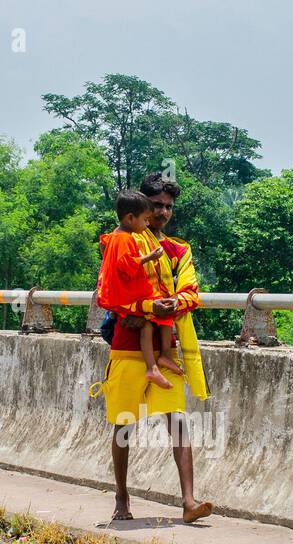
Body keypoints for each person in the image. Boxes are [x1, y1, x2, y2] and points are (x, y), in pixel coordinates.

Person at [95, 173, 212, 524]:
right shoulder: (123, 240)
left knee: (177, 419)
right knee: (124, 422)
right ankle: (121, 496)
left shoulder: (178, 249)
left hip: (166, 344)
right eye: (157, 206)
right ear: (143, 207)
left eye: (168, 207)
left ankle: (189, 502)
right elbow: (112, 288)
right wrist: (146, 308)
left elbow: (191, 292)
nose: (163, 213)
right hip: (126, 345)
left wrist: (167, 305)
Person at [96, 189, 181, 387]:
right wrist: (149, 258)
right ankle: (152, 367)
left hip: (138, 298)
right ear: (130, 218)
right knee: (148, 323)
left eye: (169, 207)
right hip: (129, 305)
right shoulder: (126, 238)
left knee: (160, 320)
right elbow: (124, 265)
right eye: (145, 219)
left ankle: (163, 359)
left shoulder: (120, 237)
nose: (147, 224)